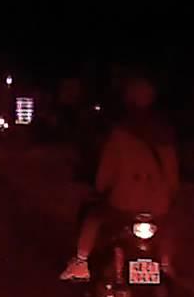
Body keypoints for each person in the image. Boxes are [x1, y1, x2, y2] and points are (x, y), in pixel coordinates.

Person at [60, 74, 179, 281]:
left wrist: (100, 188)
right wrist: (168, 196)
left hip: (124, 203)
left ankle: (80, 263)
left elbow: (105, 173)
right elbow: (172, 175)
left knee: (93, 217)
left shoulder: (120, 135)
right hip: (158, 205)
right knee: (167, 225)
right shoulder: (165, 135)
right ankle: (166, 264)